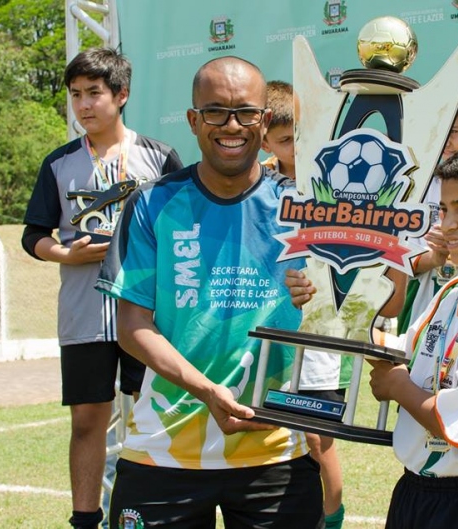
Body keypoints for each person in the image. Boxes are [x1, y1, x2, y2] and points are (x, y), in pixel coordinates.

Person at [97, 56, 324, 529]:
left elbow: (351, 311)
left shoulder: (304, 209)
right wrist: (207, 391)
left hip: (274, 448)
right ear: (194, 120)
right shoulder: (151, 204)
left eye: (246, 112)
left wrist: (326, 295)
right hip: (164, 447)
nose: (232, 125)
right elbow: (132, 326)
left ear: (264, 121)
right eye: (216, 111)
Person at [291, 143, 458, 528]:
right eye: (444, 209)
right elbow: (400, 353)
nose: (447, 224)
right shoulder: (451, 293)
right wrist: (321, 304)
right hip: (416, 493)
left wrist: (397, 385)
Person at [21, 47, 183, 529]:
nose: (84, 105)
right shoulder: (59, 163)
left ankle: (154, 514)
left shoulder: (158, 157)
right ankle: (85, 520)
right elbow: (34, 235)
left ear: (121, 95)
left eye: (94, 93)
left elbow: (181, 229)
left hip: (147, 315)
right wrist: (67, 254)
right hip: (84, 315)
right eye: (75, 95)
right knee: (88, 423)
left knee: (153, 416)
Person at [260, 78, 346, 529]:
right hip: (271, 326)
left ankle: (333, 521)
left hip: (320, 331)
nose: (297, 146)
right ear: (263, 141)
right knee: (273, 433)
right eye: (285, 139)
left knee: (318, 437)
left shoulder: (336, 178)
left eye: (302, 134)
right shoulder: (259, 185)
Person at [396, 83, 458, 335]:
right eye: (438, 128)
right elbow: (399, 259)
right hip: (422, 311)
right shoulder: (415, 182)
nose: (443, 139)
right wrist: (434, 257)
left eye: (453, 131)